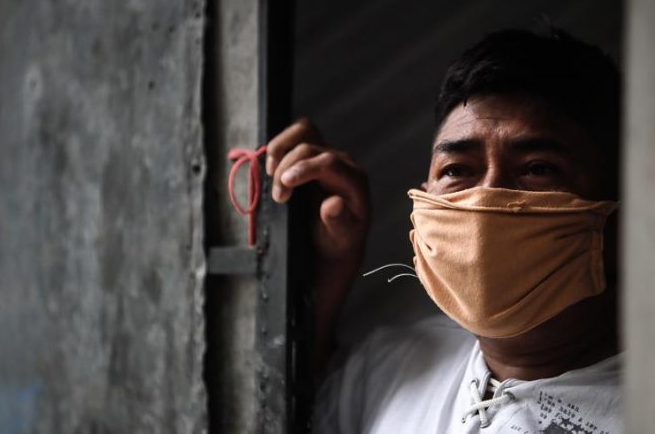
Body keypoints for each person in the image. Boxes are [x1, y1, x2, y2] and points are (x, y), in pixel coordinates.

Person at [265, 28, 622, 433]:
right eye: (457, 171)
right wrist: (326, 268)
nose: (486, 197)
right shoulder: (390, 369)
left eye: (537, 169)